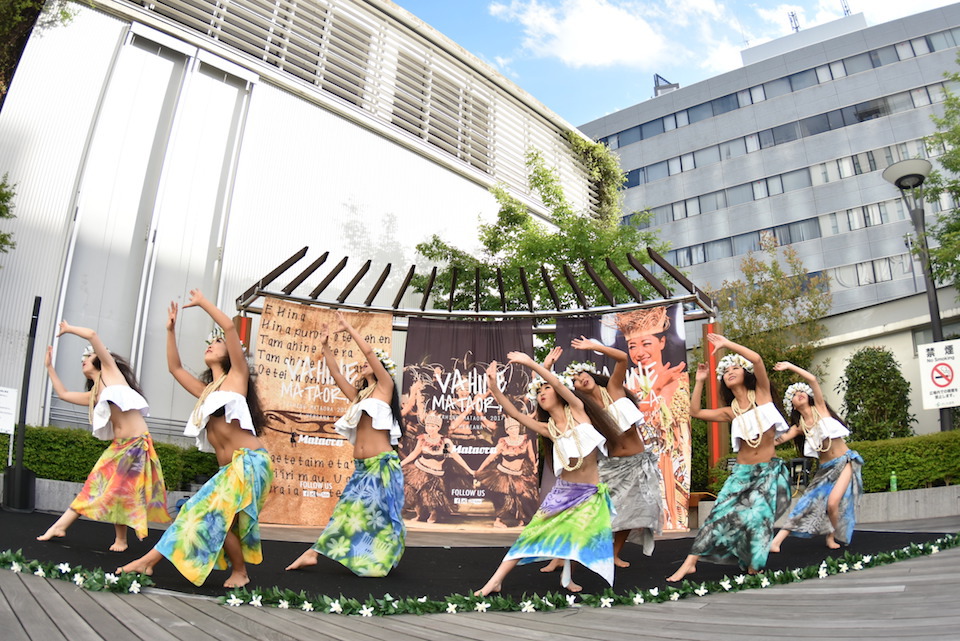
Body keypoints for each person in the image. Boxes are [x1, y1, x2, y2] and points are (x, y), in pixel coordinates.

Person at [119, 290, 272, 589]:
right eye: (211, 343)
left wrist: (203, 304)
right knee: (215, 517)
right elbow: (175, 368)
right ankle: (239, 572)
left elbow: (229, 327)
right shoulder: (207, 390)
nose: (211, 345)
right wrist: (170, 330)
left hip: (251, 464)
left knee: (202, 511)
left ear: (230, 351)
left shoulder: (237, 377)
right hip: (229, 471)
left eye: (216, 343)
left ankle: (148, 562)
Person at [475, 352, 622, 595]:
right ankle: (496, 580)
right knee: (532, 533)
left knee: (580, 534)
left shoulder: (578, 410)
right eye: (538, 392)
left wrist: (532, 364)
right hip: (564, 492)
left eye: (545, 389)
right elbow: (515, 414)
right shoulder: (548, 429)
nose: (542, 393)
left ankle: (568, 577)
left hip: (590, 493)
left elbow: (555, 382)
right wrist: (494, 387)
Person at [286, 311, 405, 577]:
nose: (364, 364)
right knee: (350, 511)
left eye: (368, 363)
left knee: (364, 514)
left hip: (380, 466)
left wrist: (349, 328)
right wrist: (326, 345)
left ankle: (315, 553)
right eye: (362, 364)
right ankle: (341, 555)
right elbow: (336, 372)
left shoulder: (384, 387)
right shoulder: (359, 396)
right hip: (362, 467)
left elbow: (371, 354)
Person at [666, 333, 791, 582]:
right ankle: (691, 562)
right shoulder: (730, 412)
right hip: (742, 474)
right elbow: (694, 411)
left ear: (745, 374)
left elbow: (756, 359)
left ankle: (754, 561)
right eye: (726, 371)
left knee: (757, 519)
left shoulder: (763, 395)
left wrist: (726, 345)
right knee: (718, 514)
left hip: (767, 471)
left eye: (735, 368)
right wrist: (700, 380)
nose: (730, 372)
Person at [38, 322, 170, 551]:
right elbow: (64, 394)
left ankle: (71, 529)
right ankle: (70, 529)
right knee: (100, 486)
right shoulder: (94, 394)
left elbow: (91, 334)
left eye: (86, 357)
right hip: (119, 446)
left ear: (98, 359)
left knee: (119, 490)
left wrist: (68, 329)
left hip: (136, 445)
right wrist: (49, 367)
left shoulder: (111, 372)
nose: (83, 361)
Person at [564, 336, 663, 567]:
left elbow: (622, 359)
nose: (582, 380)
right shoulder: (584, 411)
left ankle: (614, 553)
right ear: (575, 390)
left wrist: (594, 347)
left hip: (638, 463)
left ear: (591, 375)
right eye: (576, 381)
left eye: (583, 375)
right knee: (601, 512)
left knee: (634, 511)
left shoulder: (614, 389)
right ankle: (572, 554)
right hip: (612, 467)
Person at [770, 361, 864, 552]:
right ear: (793, 406)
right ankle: (776, 542)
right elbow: (778, 441)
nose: (799, 394)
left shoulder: (821, 408)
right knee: (805, 503)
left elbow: (812, 379)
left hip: (845, 461)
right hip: (824, 469)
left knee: (833, 503)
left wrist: (789, 366)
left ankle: (833, 536)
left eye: (801, 392)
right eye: (794, 395)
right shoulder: (798, 428)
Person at [614, 307, 690, 530]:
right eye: (632, 346)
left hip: (665, 456)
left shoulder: (677, 378)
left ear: (662, 342)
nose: (639, 352)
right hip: (636, 456)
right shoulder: (627, 384)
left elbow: (671, 423)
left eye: (646, 343)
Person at [400, 409, 475, 523]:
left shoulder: (445, 442)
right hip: (418, 470)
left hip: (435, 474)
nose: (430, 428)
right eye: (428, 426)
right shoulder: (422, 439)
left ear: (438, 427)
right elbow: (414, 454)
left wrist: (470, 470)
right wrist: (400, 464)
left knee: (431, 495)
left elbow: (455, 456)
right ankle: (420, 514)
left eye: (433, 426)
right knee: (413, 493)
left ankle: (433, 513)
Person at [474, 416, 538, 528]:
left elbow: (531, 455)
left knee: (523, 497)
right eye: (511, 429)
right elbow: (490, 457)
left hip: (518, 474)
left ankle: (521, 519)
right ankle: (498, 520)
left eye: (516, 428)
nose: (514, 431)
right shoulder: (503, 443)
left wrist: (534, 467)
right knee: (507, 498)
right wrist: (479, 470)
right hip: (504, 475)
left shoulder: (526, 440)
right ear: (507, 430)